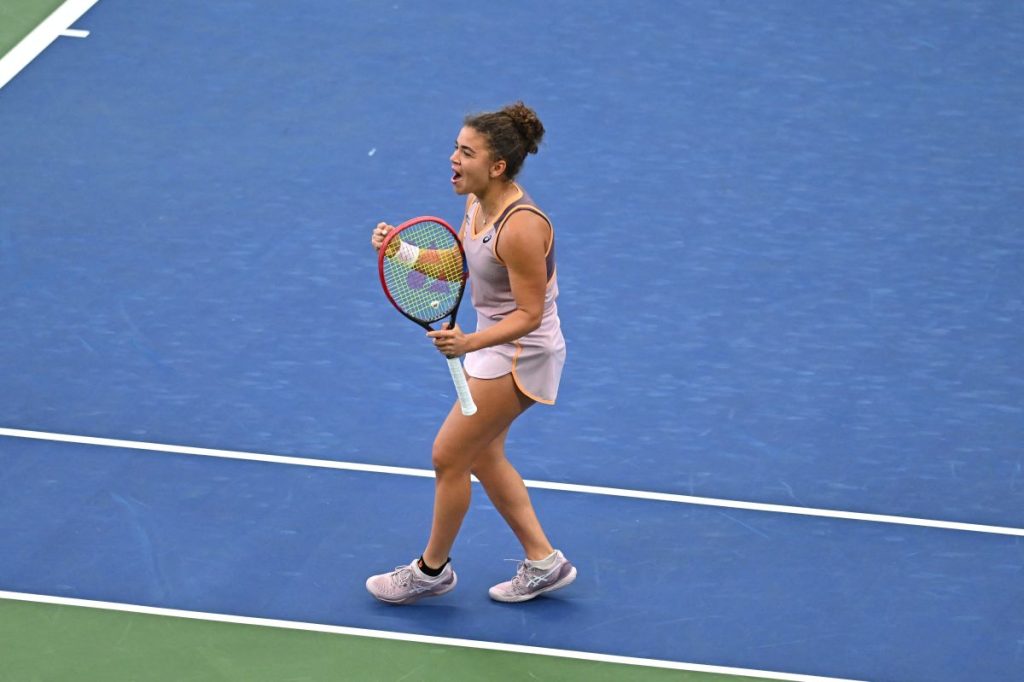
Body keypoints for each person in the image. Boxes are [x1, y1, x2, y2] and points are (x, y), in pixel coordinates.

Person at [366, 102, 575, 605]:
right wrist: (403, 251)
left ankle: (431, 571)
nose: (453, 159)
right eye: (455, 148)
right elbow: (462, 267)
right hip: (496, 341)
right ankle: (544, 562)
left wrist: (468, 343)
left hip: (524, 351)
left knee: (448, 454)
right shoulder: (478, 204)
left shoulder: (522, 227)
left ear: (497, 166)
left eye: (466, 152)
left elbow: (527, 314)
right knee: (482, 454)